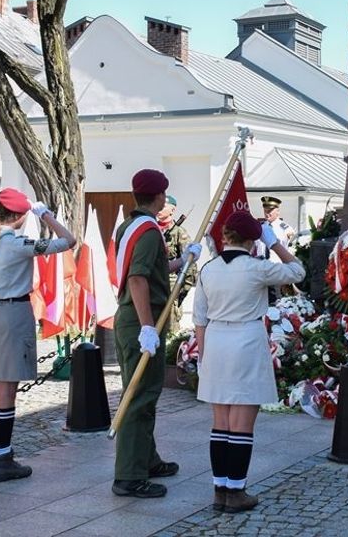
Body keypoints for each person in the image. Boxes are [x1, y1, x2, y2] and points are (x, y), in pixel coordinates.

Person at [194, 210, 305, 513]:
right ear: (251, 240)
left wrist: (203, 357)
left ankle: (220, 490)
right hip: (245, 341)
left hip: (215, 342)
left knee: (220, 423)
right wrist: (275, 243)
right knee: (241, 423)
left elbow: (199, 319)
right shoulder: (257, 268)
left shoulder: (208, 269)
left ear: (226, 235)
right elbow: (298, 272)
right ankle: (236, 491)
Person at [0, 188, 77, 483]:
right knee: (7, 389)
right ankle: (3, 458)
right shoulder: (18, 244)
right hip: (14, 313)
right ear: (19, 216)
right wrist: (46, 215)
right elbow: (68, 241)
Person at [112, 169, 201, 499]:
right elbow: (137, 279)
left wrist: (181, 261)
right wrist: (148, 326)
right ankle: (129, 475)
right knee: (139, 398)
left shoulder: (129, 225)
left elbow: (150, 269)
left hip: (132, 317)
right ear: (160, 196)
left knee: (145, 394)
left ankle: (146, 459)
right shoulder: (149, 231)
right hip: (141, 319)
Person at [159, 194, 197, 332]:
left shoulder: (179, 233)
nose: (159, 209)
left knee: (169, 330)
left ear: (172, 210)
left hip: (170, 287)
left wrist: (179, 293)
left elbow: (190, 265)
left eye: (164, 206)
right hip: (153, 286)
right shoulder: (152, 229)